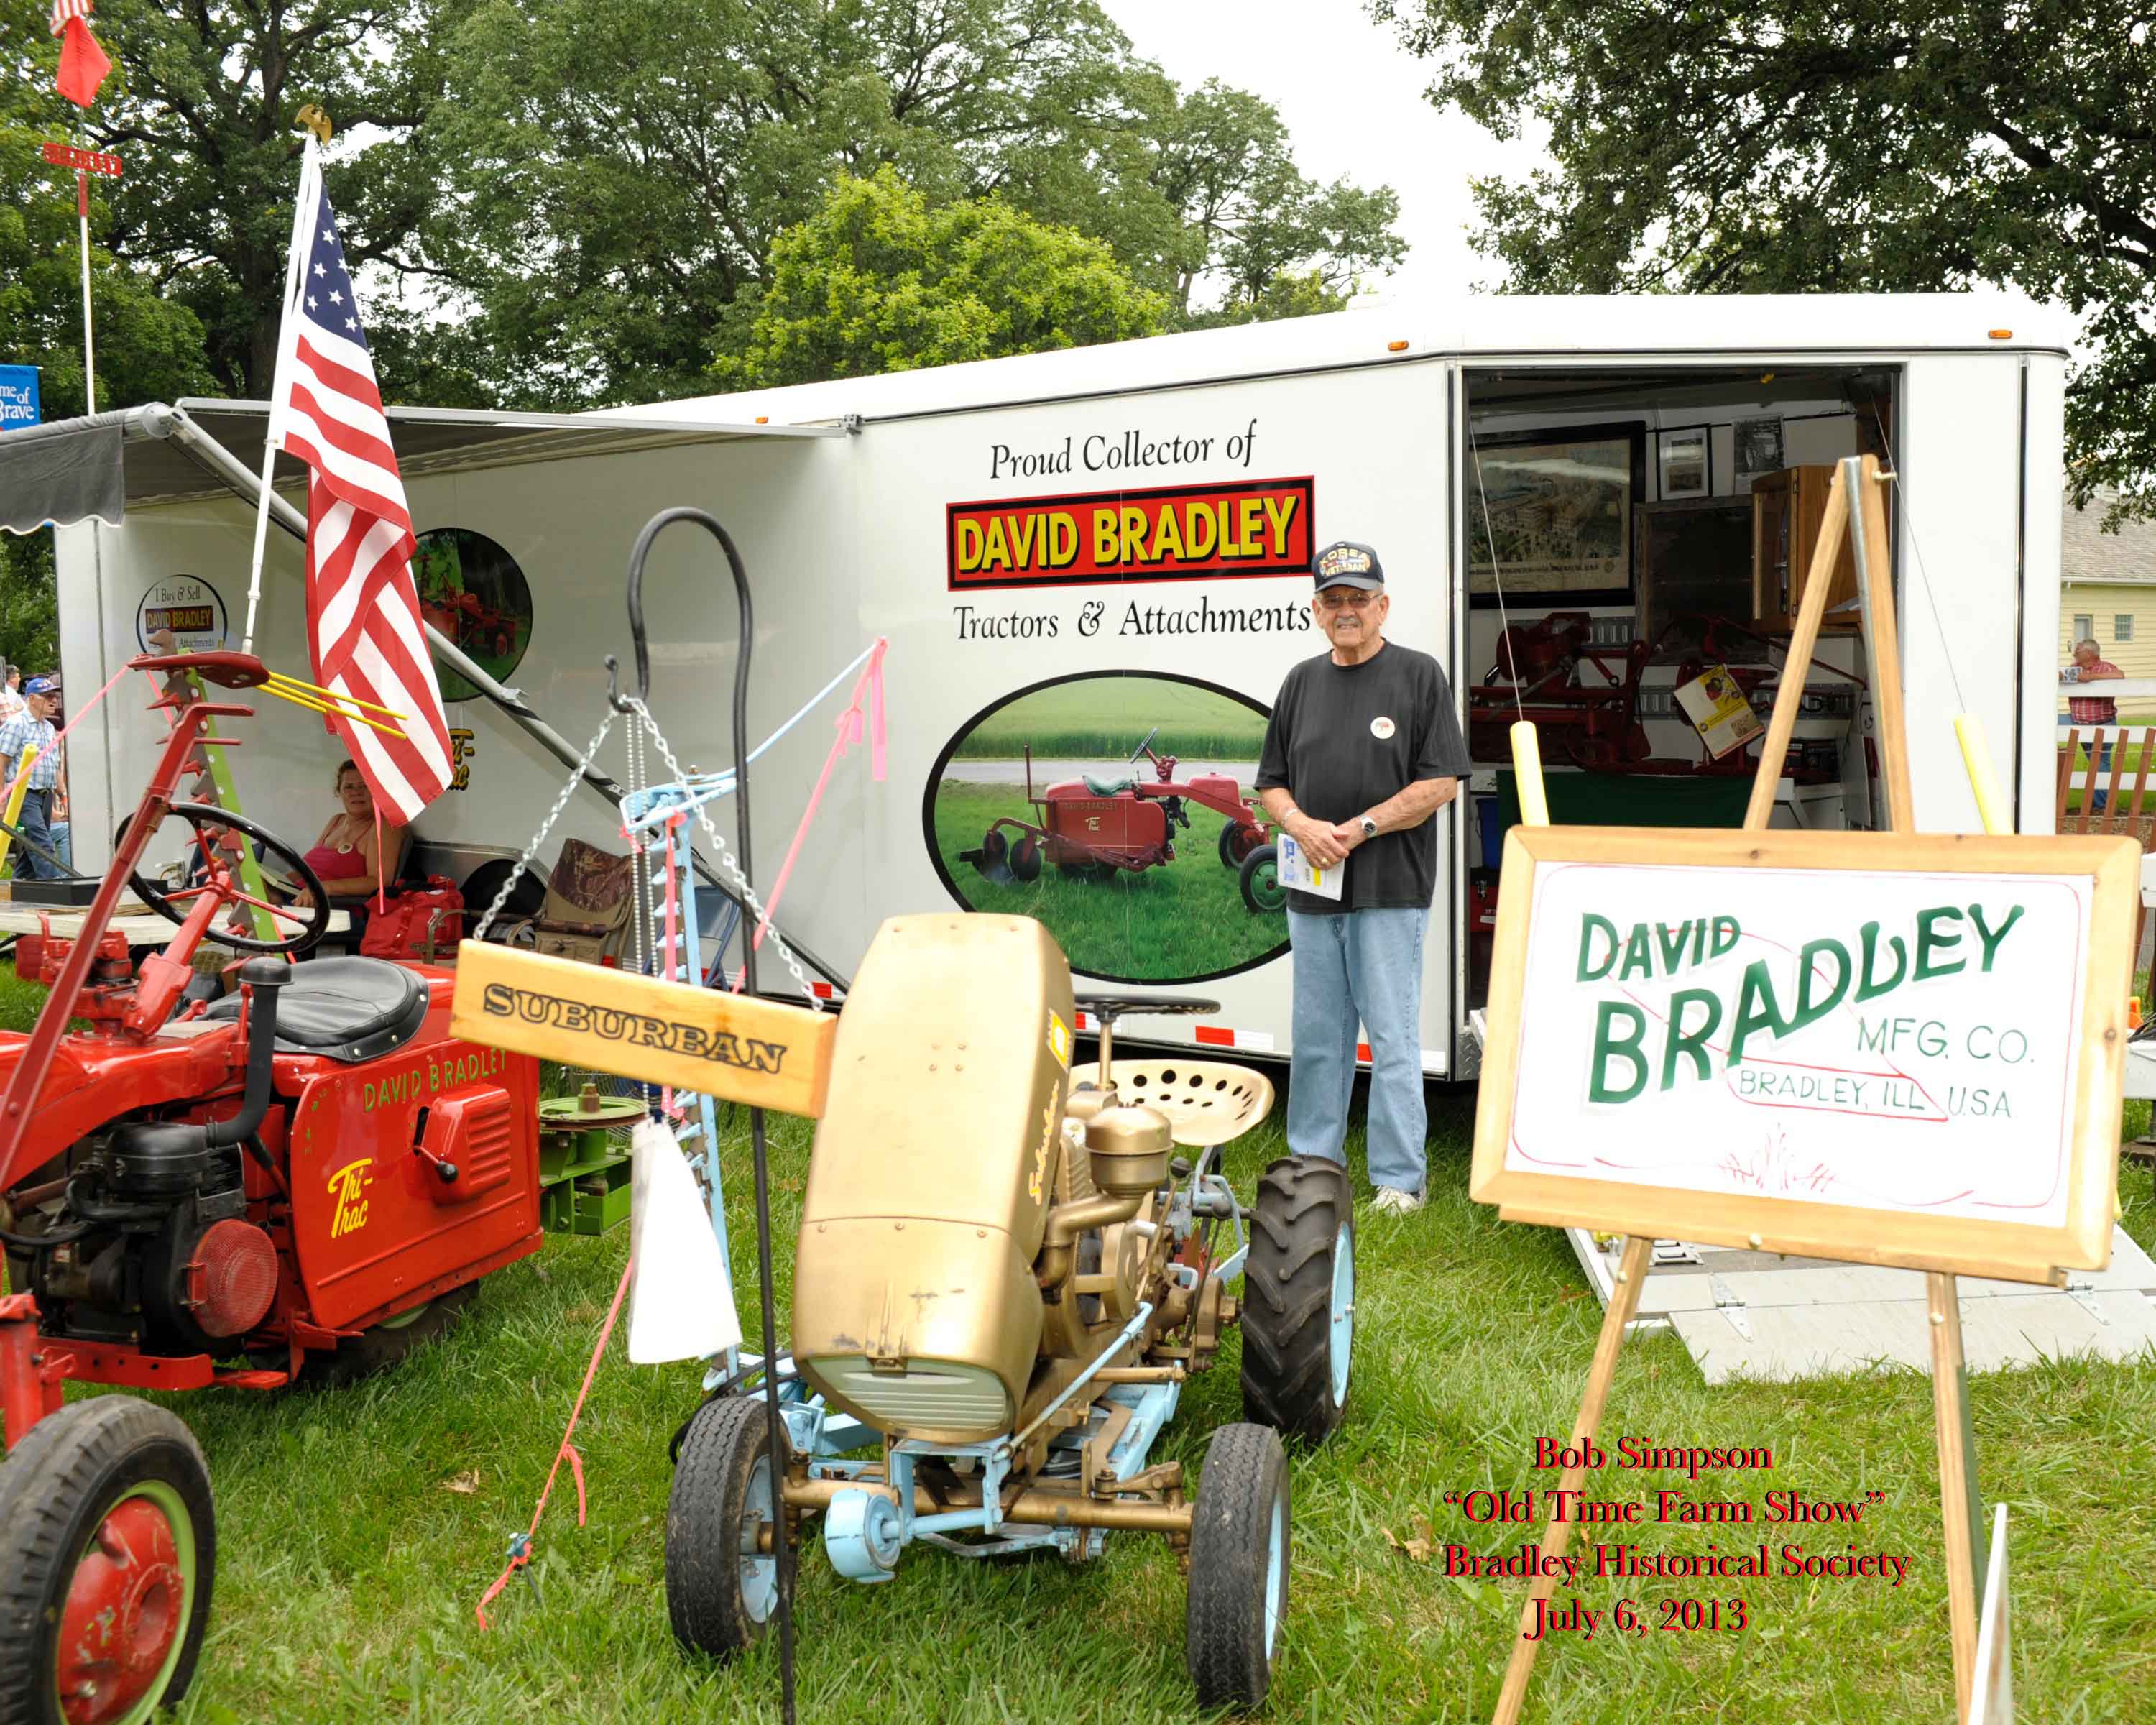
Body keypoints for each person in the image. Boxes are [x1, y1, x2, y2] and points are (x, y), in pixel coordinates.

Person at [1253, 540, 1473, 1214]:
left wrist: (1360, 828)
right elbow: (1271, 785)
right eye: (1333, 601)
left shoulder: (1416, 676)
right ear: (1316, 611)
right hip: (1312, 891)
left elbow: (1440, 783)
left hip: (1388, 891)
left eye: (1358, 599)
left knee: (1393, 1038)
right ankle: (1313, 1171)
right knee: (1318, 1039)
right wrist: (1301, 827)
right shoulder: (1300, 682)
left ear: (1383, 606)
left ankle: (1398, 1181)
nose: (1346, 611)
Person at [300, 759, 405, 903]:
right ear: (339, 792)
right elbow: (306, 869)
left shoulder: (384, 826)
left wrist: (324, 888)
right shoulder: (336, 821)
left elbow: (379, 882)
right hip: (299, 898)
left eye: (364, 786)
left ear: (378, 791)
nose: (356, 792)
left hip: (333, 909)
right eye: (349, 787)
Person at [0, 677, 65, 880]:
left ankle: (18, 886)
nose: (54, 700)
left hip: (44, 797)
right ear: (32, 699)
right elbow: (1, 762)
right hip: (23, 795)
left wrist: (63, 796)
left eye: (55, 695)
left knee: (31, 848)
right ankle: (57, 889)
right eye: (48, 696)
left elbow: (53, 765)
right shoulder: (16, 725)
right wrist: (2, 798)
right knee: (41, 844)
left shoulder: (48, 728)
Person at [2064, 638, 2123, 811]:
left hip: (2101, 724)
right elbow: (2060, 676)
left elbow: (2120, 675)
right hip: (2077, 721)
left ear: (2089, 654)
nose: (2074, 654)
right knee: (2042, 723)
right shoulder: (2074, 667)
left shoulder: (2105, 667)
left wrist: (2090, 678)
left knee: (2099, 763)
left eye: (2078, 651)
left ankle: (2101, 807)